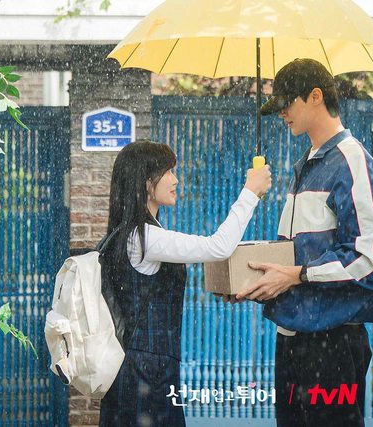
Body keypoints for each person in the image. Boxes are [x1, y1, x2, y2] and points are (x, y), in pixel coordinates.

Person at [236, 59, 373, 427]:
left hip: (332, 345)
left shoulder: (352, 162)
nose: (281, 114)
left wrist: (297, 275)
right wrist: (255, 283)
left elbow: (369, 261)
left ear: (315, 96)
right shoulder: (307, 166)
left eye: (286, 104)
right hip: (292, 339)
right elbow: (297, 258)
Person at [98, 140, 272, 427]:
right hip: (146, 371)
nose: (175, 180)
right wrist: (250, 192)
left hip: (136, 366)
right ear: (146, 182)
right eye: (168, 172)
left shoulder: (126, 235)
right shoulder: (145, 238)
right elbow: (218, 247)